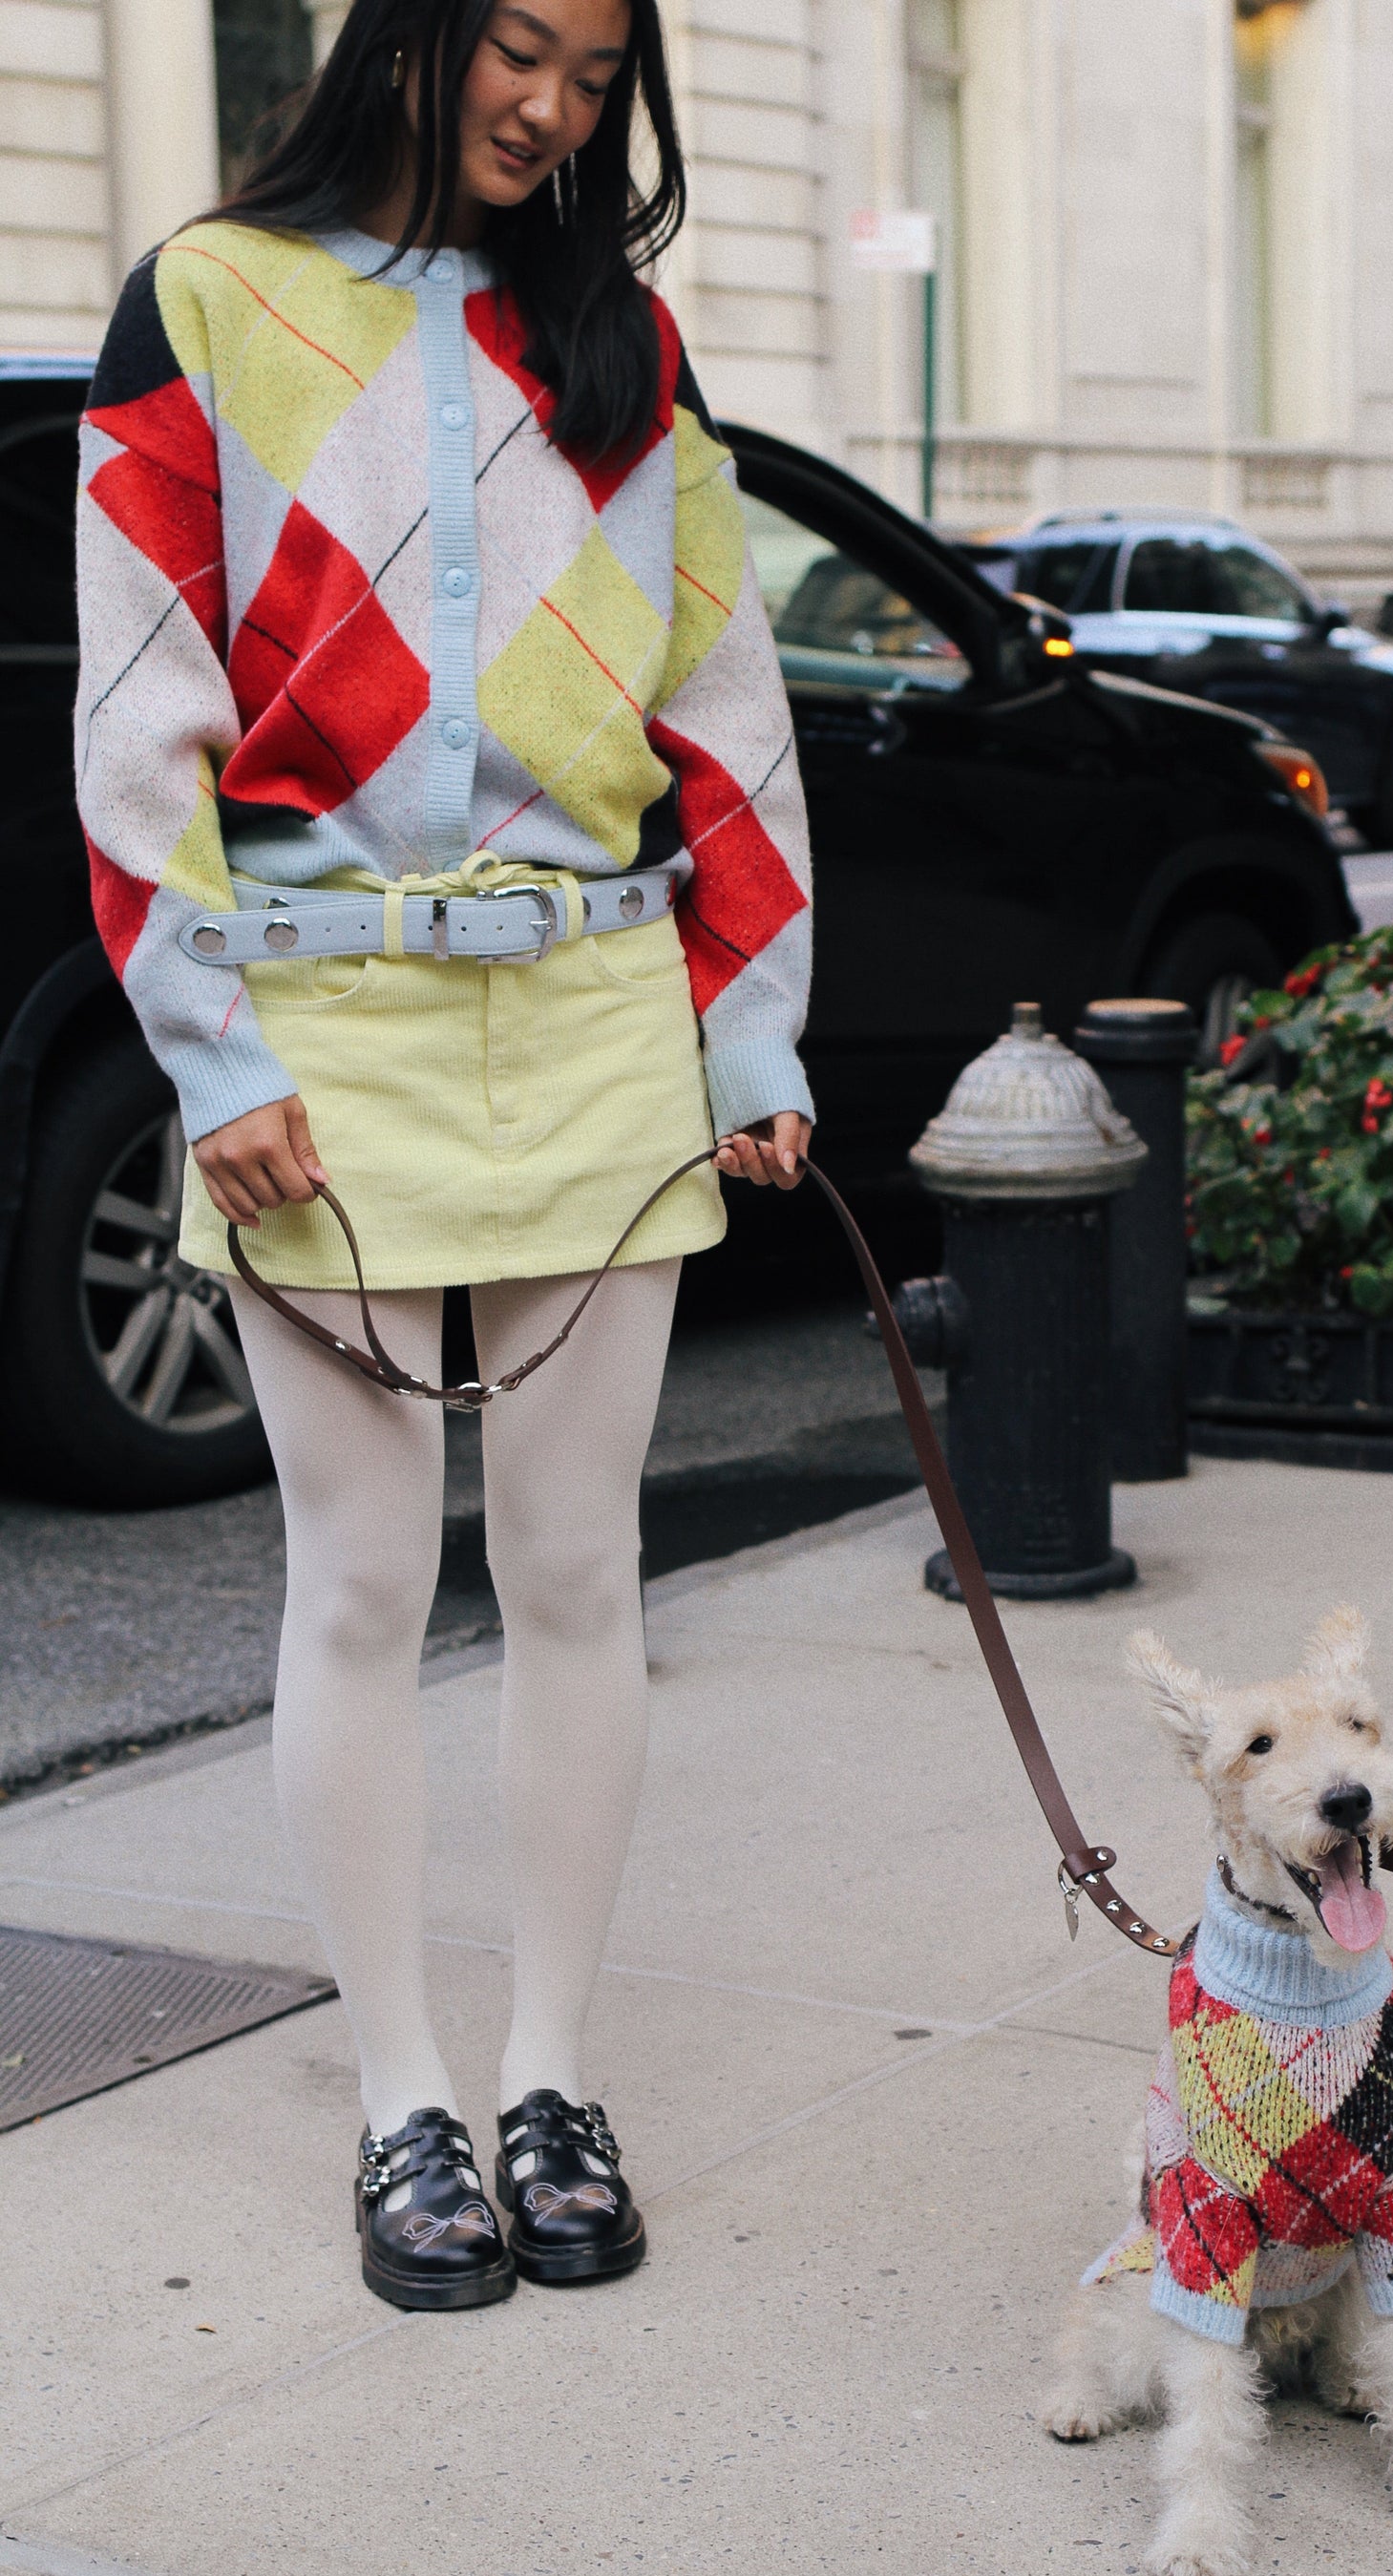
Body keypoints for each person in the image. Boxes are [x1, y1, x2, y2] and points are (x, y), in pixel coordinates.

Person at [74, 0, 813, 2311]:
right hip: (323, 1020)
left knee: (585, 1575)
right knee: (365, 1582)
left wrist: (749, 1027)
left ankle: (551, 2071)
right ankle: (405, 2096)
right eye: (517, 46)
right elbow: (137, 705)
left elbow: (722, 697)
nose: (551, 109)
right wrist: (213, 1051)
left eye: (598, 77)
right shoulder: (206, 297)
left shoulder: (623, 342)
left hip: (598, 1009)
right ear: (411, 27)